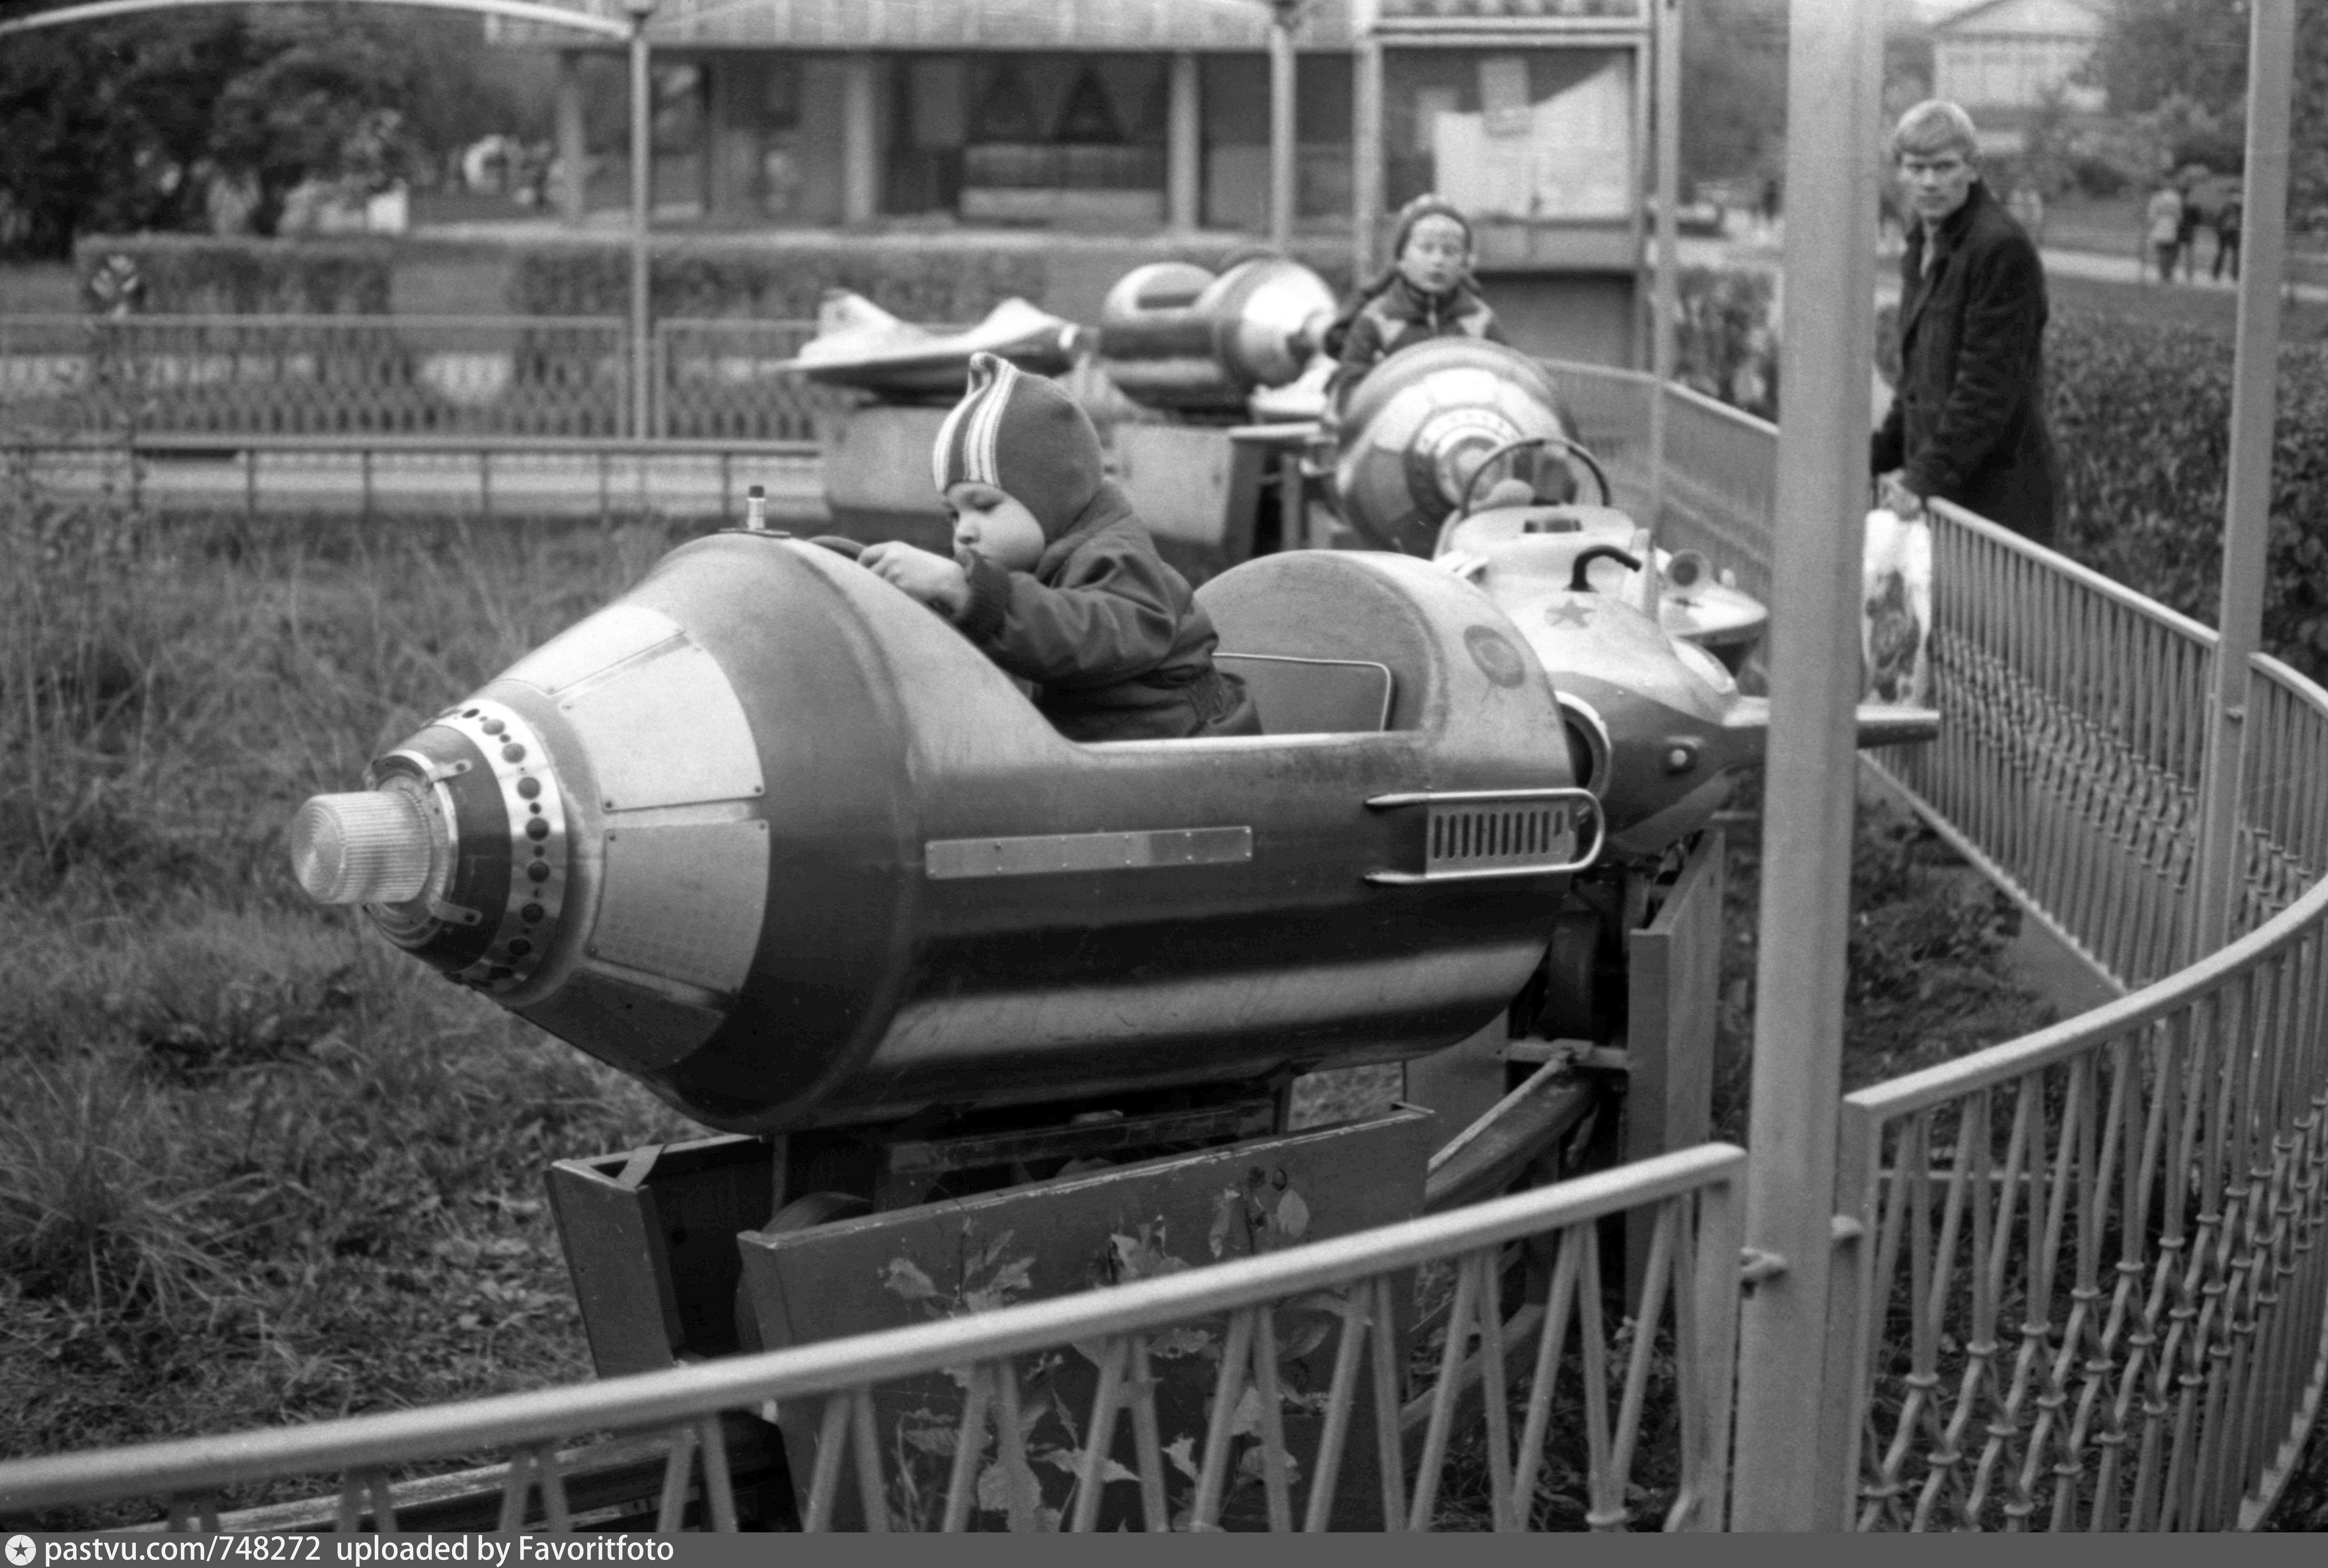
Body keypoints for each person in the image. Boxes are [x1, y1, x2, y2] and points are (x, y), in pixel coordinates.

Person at [859, 351, 1259, 743]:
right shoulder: (1026, 567)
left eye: (984, 506)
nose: (964, 531)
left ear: (1055, 502)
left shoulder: (1116, 559)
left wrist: (967, 592)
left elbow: (1086, 637)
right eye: (954, 514)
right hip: (1101, 761)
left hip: (1191, 757)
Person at [1872, 99, 2060, 548]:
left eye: (1944, 167)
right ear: (1900, 172)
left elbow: (1986, 390)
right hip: (1946, 497)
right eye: (1916, 168)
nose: (1929, 182)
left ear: (1973, 168)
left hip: (1998, 504)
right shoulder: (1922, 243)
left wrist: (1921, 478)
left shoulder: (2000, 249)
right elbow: (1917, 384)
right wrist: (1873, 459)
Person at [1323, 194, 1508, 410]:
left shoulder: (1480, 320)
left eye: (1450, 251)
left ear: (1465, 264)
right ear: (1401, 260)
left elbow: (1508, 386)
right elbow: (1350, 392)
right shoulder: (1377, 320)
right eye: (1426, 249)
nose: (1438, 261)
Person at [2146, 180, 2184, 284]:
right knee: (2171, 253)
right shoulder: (2176, 197)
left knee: (2162, 252)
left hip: (2160, 226)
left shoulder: (2157, 198)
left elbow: (2152, 215)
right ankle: (2168, 274)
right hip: (2172, 227)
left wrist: (2151, 226)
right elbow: (2179, 216)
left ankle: (2164, 274)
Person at [2214, 187, 2244, 282]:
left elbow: (2219, 219)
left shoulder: (2228, 206)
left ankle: (2218, 274)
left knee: (2224, 253)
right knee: (2233, 254)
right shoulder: (2239, 208)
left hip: (2227, 231)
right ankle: (2234, 275)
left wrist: (2219, 230)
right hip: (2232, 232)